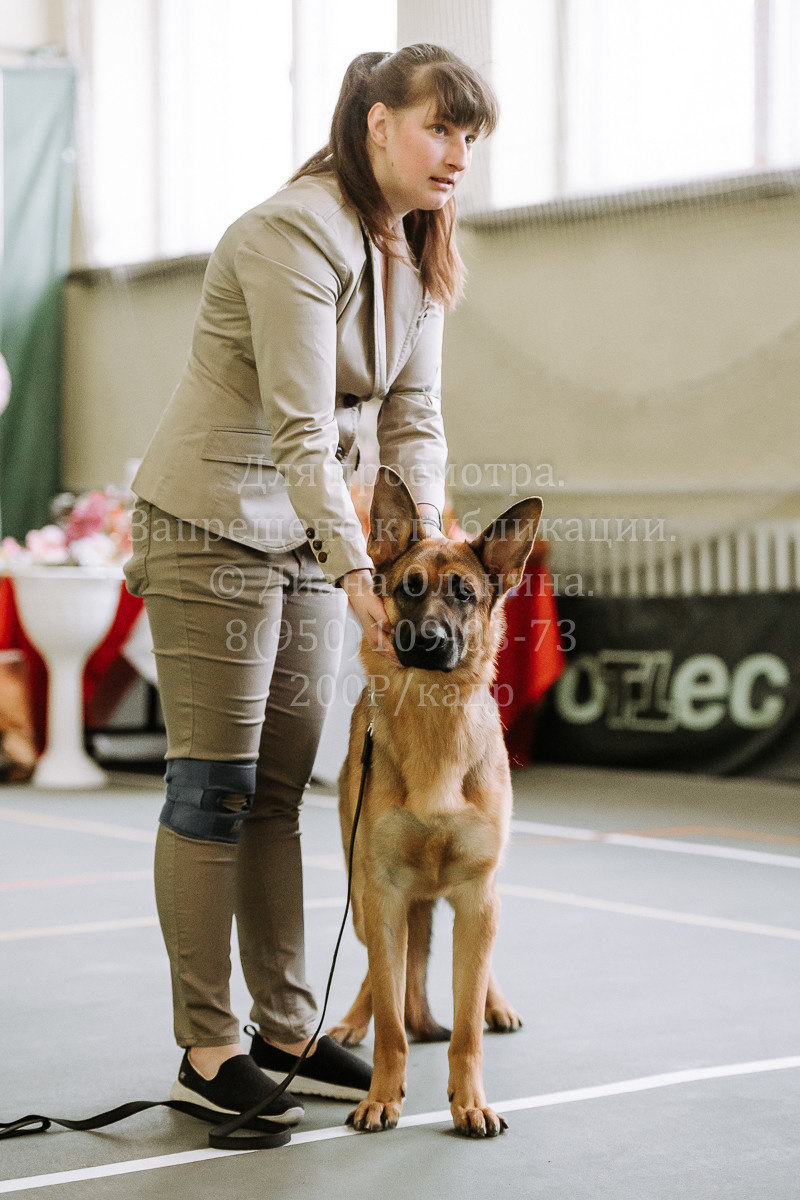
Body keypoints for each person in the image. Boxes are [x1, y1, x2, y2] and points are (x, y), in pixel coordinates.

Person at [124, 43, 498, 1128]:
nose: (457, 157)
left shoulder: (417, 251)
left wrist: (417, 556)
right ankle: (208, 1047)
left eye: (470, 139)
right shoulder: (293, 230)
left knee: (282, 790)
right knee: (214, 787)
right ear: (376, 123)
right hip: (212, 523)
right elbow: (300, 425)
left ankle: (288, 1026)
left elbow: (412, 422)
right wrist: (355, 565)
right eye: (441, 128)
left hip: (302, 531)